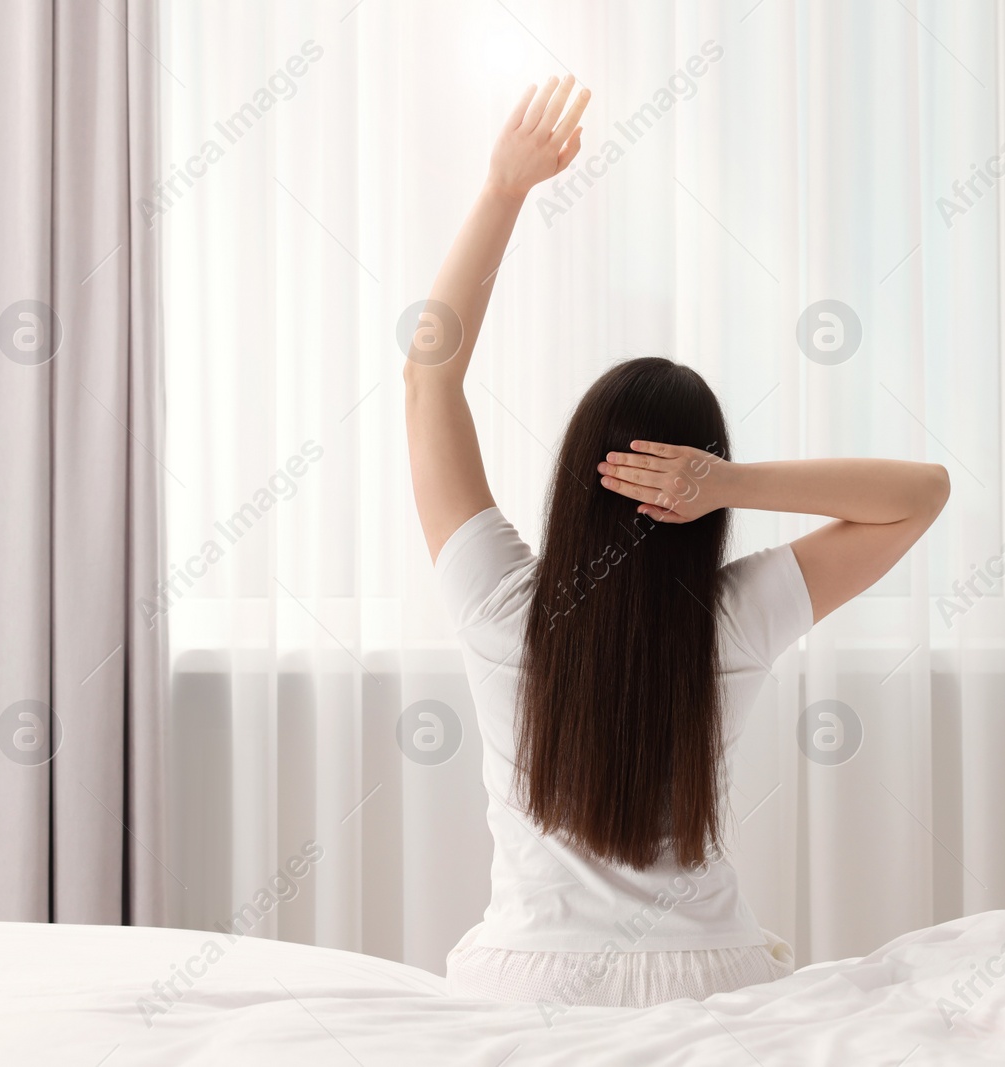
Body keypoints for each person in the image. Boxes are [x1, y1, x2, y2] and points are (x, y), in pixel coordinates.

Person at [404, 75, 950, 1008]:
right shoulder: (734, 618)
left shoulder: (499, 606)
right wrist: (731, 485)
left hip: (524, 984)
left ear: (576, 478)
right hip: (710, 985)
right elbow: (920, 494)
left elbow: (429, 381)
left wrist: (503, 190)